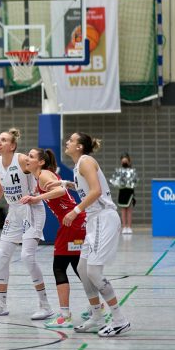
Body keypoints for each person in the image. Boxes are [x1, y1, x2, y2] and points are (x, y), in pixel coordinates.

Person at [45, 132, 131, 337]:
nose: (67, 142)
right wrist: (67, 184)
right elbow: (86, 189)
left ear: (80, 147)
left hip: (103, 218)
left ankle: (120, 320)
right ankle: (97, 316)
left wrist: (74, 211)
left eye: (72, 140)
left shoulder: (86, 161)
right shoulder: (79, 166)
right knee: (83, 269)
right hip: (94, 221)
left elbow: (96, 191)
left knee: (93, 271)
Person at [0, 128, 53, 321]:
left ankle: (45, 306)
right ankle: (1, 304)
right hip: (14, 212)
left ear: (12, 145)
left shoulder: (21, 160)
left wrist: (45, 187)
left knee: (27, 256)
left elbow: (39, 172)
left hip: (32, 210)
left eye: (4, 140)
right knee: (1, 256)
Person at [20, 148, 87, 329]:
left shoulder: (43, 175)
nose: (27, 158)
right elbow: (60, 187)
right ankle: (98, 306)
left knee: (59, 267)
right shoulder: (41, 175)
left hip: (71, 223)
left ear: (41, 162)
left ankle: (65, 316)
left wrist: (37, 198)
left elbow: (58, 191)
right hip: (75, 223)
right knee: (77, 266)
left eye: (31, 157)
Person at [109, 153, 138, 234]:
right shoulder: (118, 171)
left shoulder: (132, 171)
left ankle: (129, 227)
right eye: (123, 161)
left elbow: (135, 181)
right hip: (122, 192)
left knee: (129, 210)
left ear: (129, 161)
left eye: (126, 161)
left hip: (129, 192)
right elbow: (114, 180)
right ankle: (124, 226)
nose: (124, 163)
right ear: (121, 162)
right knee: (123, 210)